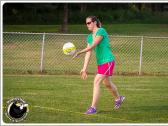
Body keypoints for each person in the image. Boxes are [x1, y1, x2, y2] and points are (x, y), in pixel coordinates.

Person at [73, 16, 125, 114]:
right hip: (101, 63)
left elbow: (92, 46)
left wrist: (79, 52)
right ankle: (119, 99)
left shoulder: (101, 31)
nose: (87, 25)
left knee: (96, 81)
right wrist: (84, 68)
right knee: (107, 84)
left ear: (95, 22)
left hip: (108, 61)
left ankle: (93, 108)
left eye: (89, 23)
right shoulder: (89, 37)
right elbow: (89, 52)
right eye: (86, 23)